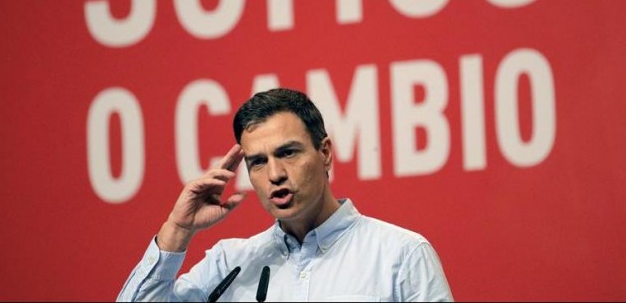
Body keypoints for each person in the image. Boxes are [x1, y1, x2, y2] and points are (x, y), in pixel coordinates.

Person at [117, 88, 454, 302]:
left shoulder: (399, 255)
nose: (275, 174)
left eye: (288, 153)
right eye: (258, 162)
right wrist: (177, 229)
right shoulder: (229, 265)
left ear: (324, 153)